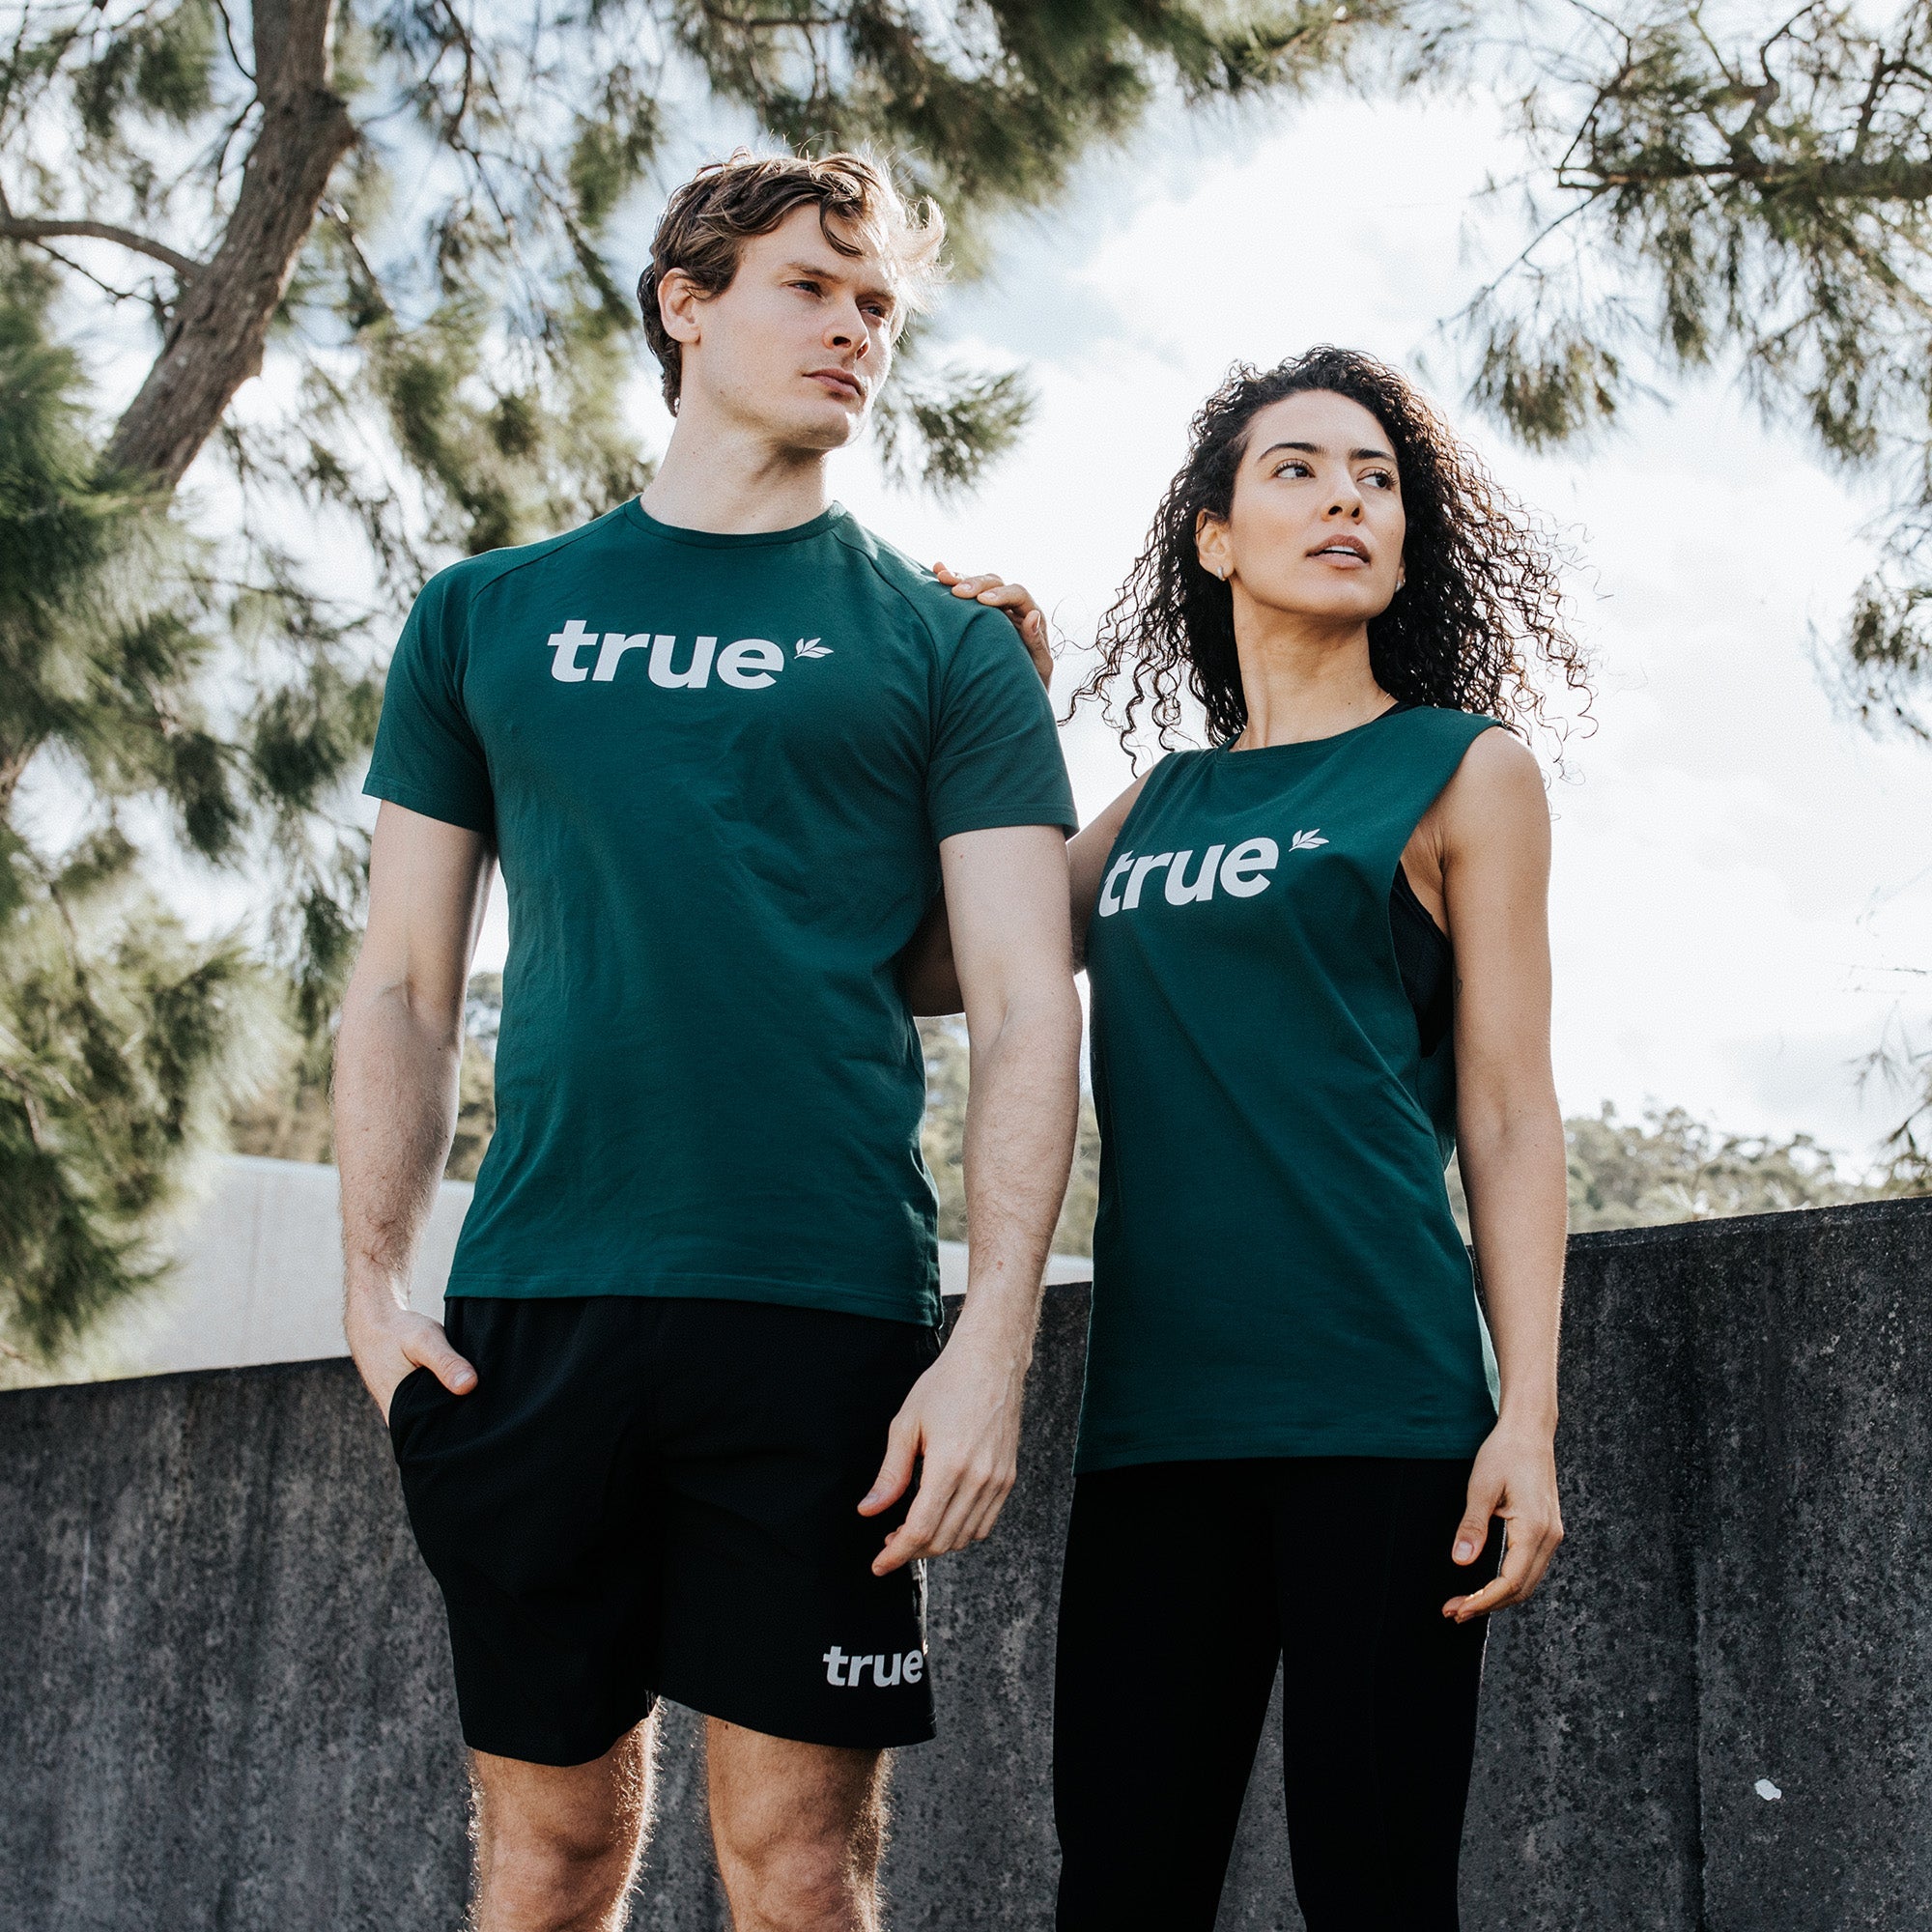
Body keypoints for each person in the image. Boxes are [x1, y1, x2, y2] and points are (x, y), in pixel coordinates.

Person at [332, 151, 1083, 1932]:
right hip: (536, 1314)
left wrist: (992, 1342)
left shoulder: (948, 648)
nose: (854, 331)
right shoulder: (481, 617)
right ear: (688, 301)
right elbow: (406, 985)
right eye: (811, 290)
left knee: (798, 1867)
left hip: (821, 1315)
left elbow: (1027, 1000)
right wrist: (372, 1291)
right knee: (546, 1859)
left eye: (879, 307)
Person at [905, 347, 1581, 1929]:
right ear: (1212, 536)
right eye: (1297, 469)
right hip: (1158, 1432)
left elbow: (1506, 1108)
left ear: (1409, 541)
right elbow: (948, 969)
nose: (1345, 495)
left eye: (1378, 478)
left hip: (1387, 1417)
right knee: (1124, 1892)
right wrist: (986, 705)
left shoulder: (1462, 770)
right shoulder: (1157, 804)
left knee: (1377, 1889)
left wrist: (1527, 1416)